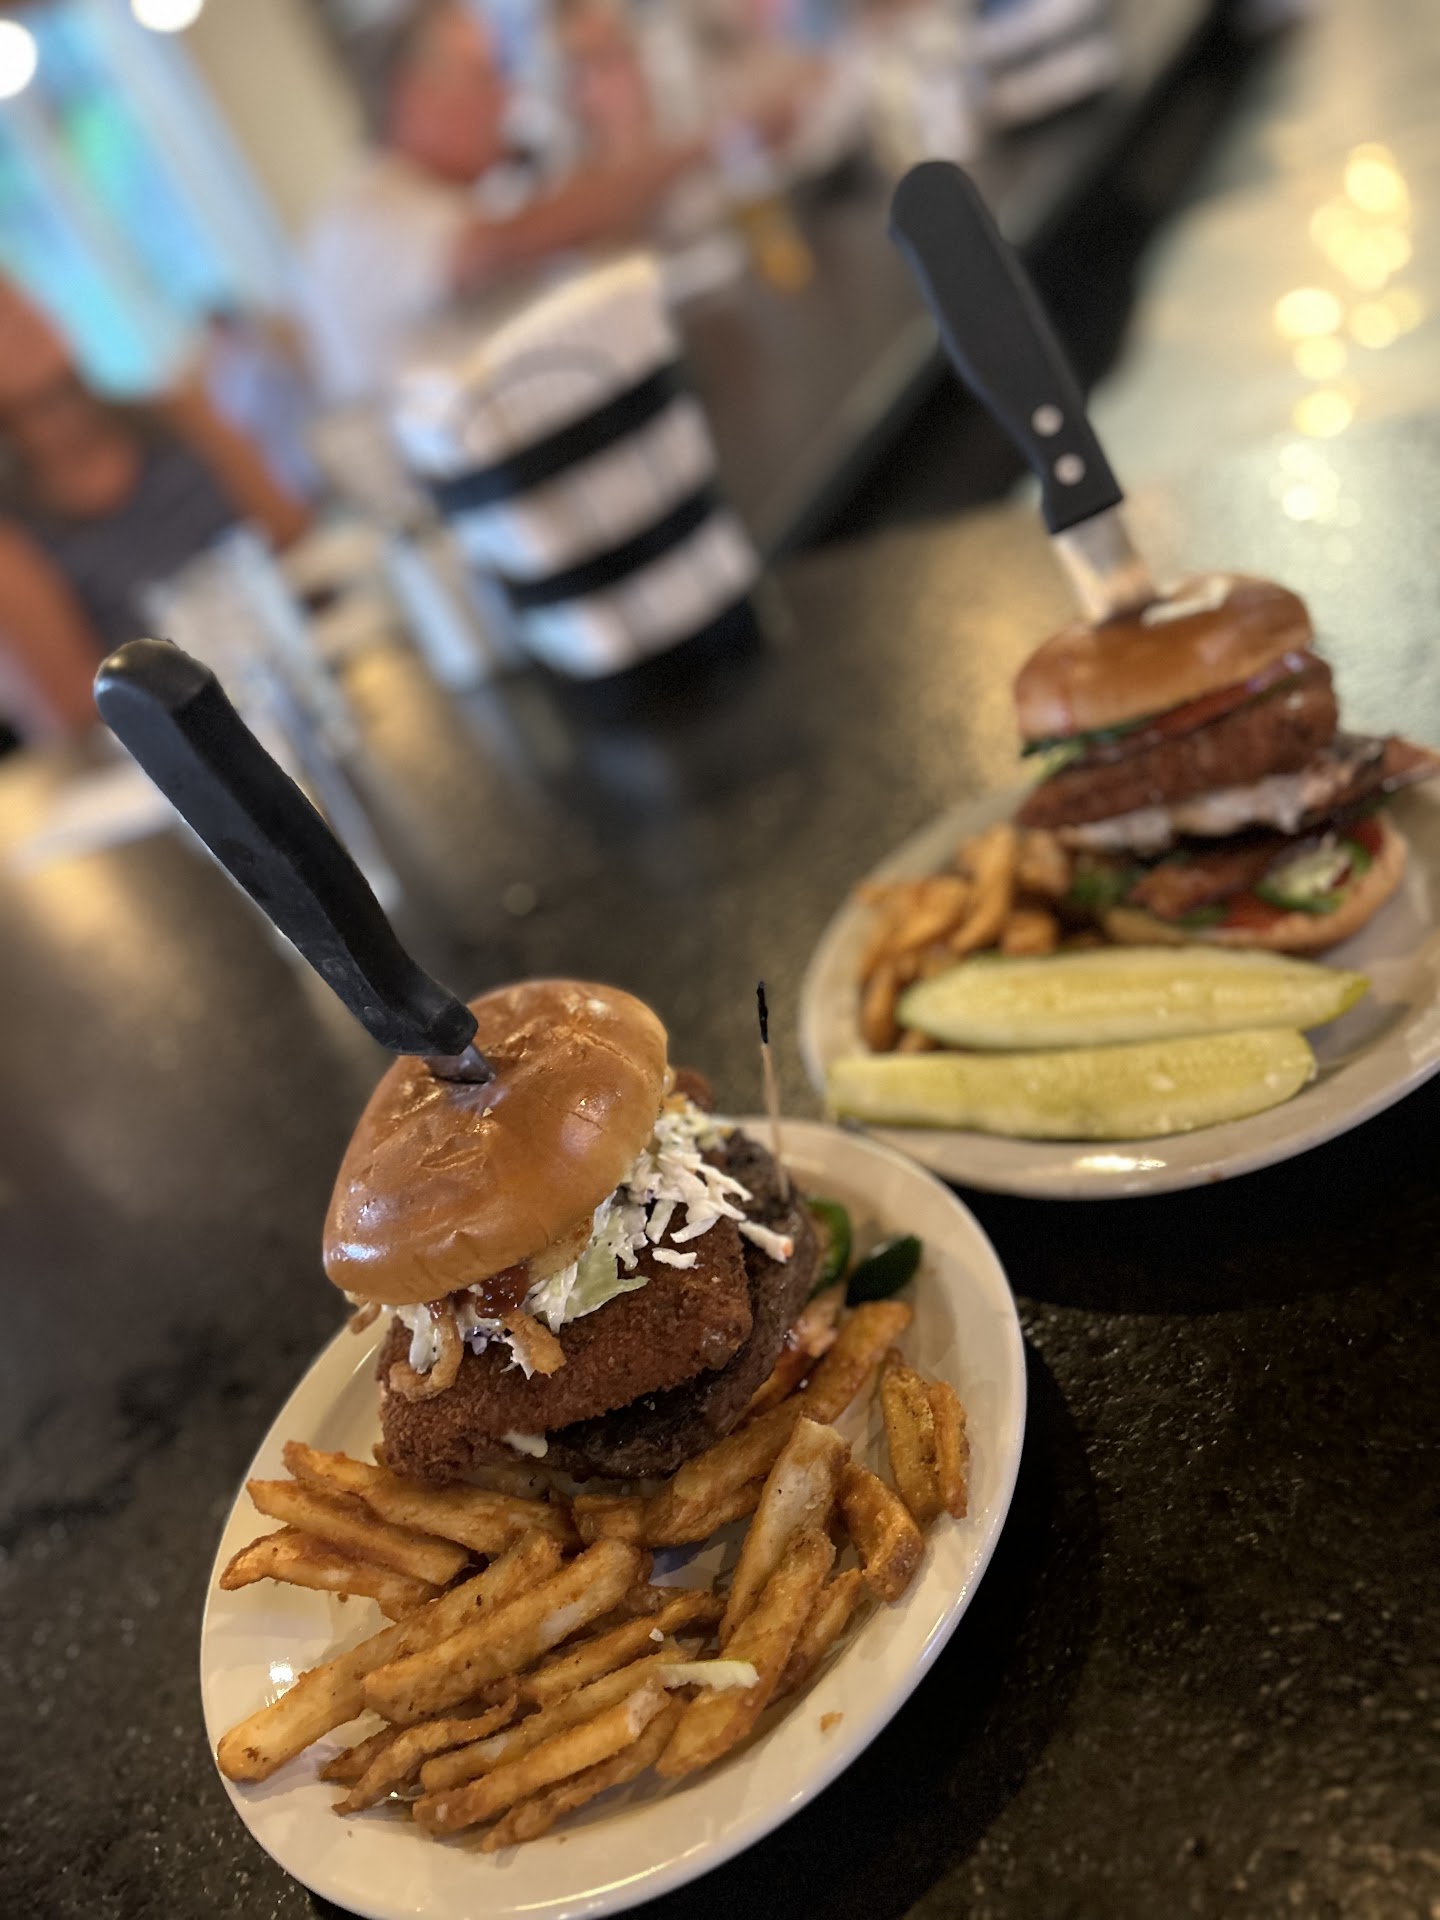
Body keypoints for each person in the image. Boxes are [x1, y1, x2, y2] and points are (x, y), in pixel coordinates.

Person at [299, 0, 707, 406]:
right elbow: (501, 246)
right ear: (417, 96)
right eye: (485, 77)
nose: (506, 97)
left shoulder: (457, 199)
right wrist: (698, 149)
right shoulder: (363, 214)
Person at [0, 280, 310, 739]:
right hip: (177, 735)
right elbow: (72, 706)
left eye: (19, 305)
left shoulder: (181, 415)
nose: (20, 323)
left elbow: (296, 537)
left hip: (291, 667)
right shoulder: (13, 530)